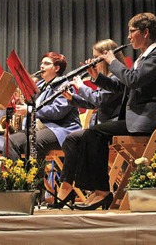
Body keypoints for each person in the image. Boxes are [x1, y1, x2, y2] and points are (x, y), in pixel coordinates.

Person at [72, 12, 156, 210]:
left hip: (147, 120)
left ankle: (101, 191)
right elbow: (123, 87)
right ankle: (97, 190)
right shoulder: (143, 58)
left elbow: (132, 80)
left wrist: (112, 62)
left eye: (132, 31)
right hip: (135, 118)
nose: (128, 37)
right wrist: (97, 78)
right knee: (89, 134)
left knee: (94, 133)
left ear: (145, 32)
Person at [51, 39, 126, 208]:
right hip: (101, 127)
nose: (92, 61)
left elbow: (99, 100)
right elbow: (94, 103)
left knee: (79, 138)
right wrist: (72, 98)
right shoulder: (105, 78)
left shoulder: (116, 77)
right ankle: (71, 186)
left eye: (96, 58)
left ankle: (94, 189)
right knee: (72, 139)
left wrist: (80, 86)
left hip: (113, 125)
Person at [2, 52, 82, 161]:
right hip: (39, 128)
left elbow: (57, 112)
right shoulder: (40, 85)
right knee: (10, 141)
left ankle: (34, 178)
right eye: (41, 63)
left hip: (60, 128)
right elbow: (30, 104)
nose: (41, 66)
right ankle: (15, 177)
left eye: (46, 63)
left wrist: (30, 110)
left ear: (57, 68)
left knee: (34, 142)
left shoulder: (64, 85)